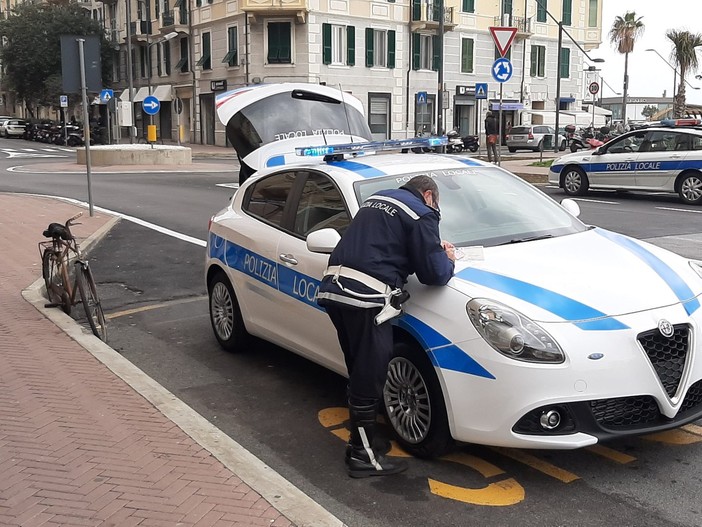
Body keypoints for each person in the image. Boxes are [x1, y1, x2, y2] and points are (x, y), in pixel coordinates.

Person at [317, 175, 456, 478]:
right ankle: (362, 457)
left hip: (335, 290)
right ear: (429, 195)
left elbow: (378, 245)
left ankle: (364, 443)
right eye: (437, 202)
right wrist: (448, 258)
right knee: (371, 375)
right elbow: (434, 273)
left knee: (360, 370)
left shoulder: (377, 199)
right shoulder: (422, 212)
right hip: (366, 299)